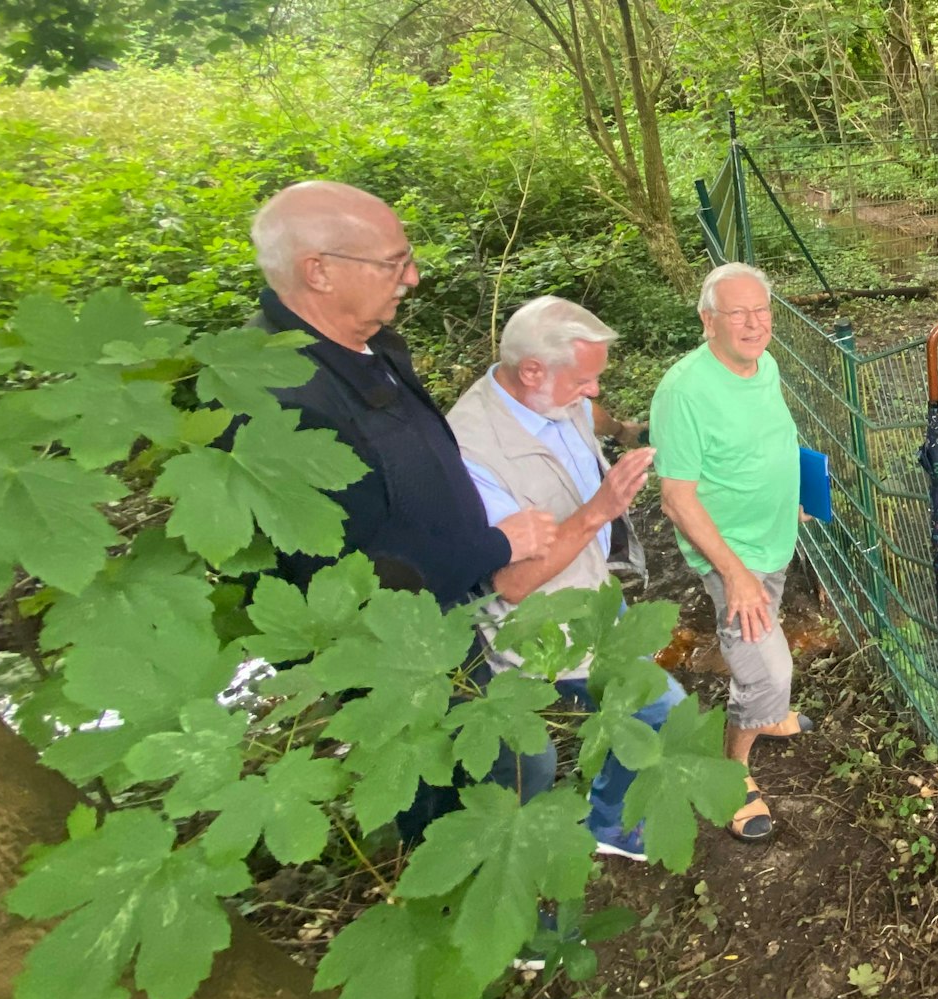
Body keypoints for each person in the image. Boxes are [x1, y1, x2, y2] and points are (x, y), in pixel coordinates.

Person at [246, 180, 560, 828]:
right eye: (393, 263)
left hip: (448, 604)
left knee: (514, 765)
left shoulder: (369, 346)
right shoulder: (279, 398)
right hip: (394, 645)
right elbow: (357, 575)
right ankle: (475, 880)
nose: (412, 278)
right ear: (318, 272)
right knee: (487, 777)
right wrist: (499, 543)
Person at [447, 296, 689, 861]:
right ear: (532, 370)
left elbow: (589, 412)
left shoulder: (555, 395)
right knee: (659, 710)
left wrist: (622, 430)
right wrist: (599, 510)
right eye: (583, 380)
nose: (593, 391)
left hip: (591, 593)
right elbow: (511, 584)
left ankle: (606, 809)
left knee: (638, 709)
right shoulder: (471, 452)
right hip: (540, 626)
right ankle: (604, 826)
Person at [650, 262, 810, 843]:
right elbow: (676, 499)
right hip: (731, 556)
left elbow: (767, 441)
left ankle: (769, 711)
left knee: (759, 648)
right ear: (707, 320)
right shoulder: (684, 392)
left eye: (761, 310)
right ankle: (733, 769)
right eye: (737, 312)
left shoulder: (763, 365)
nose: (753, 323)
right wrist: (736, 574)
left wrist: (795, 495)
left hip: (773, 537)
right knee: (769, 671)